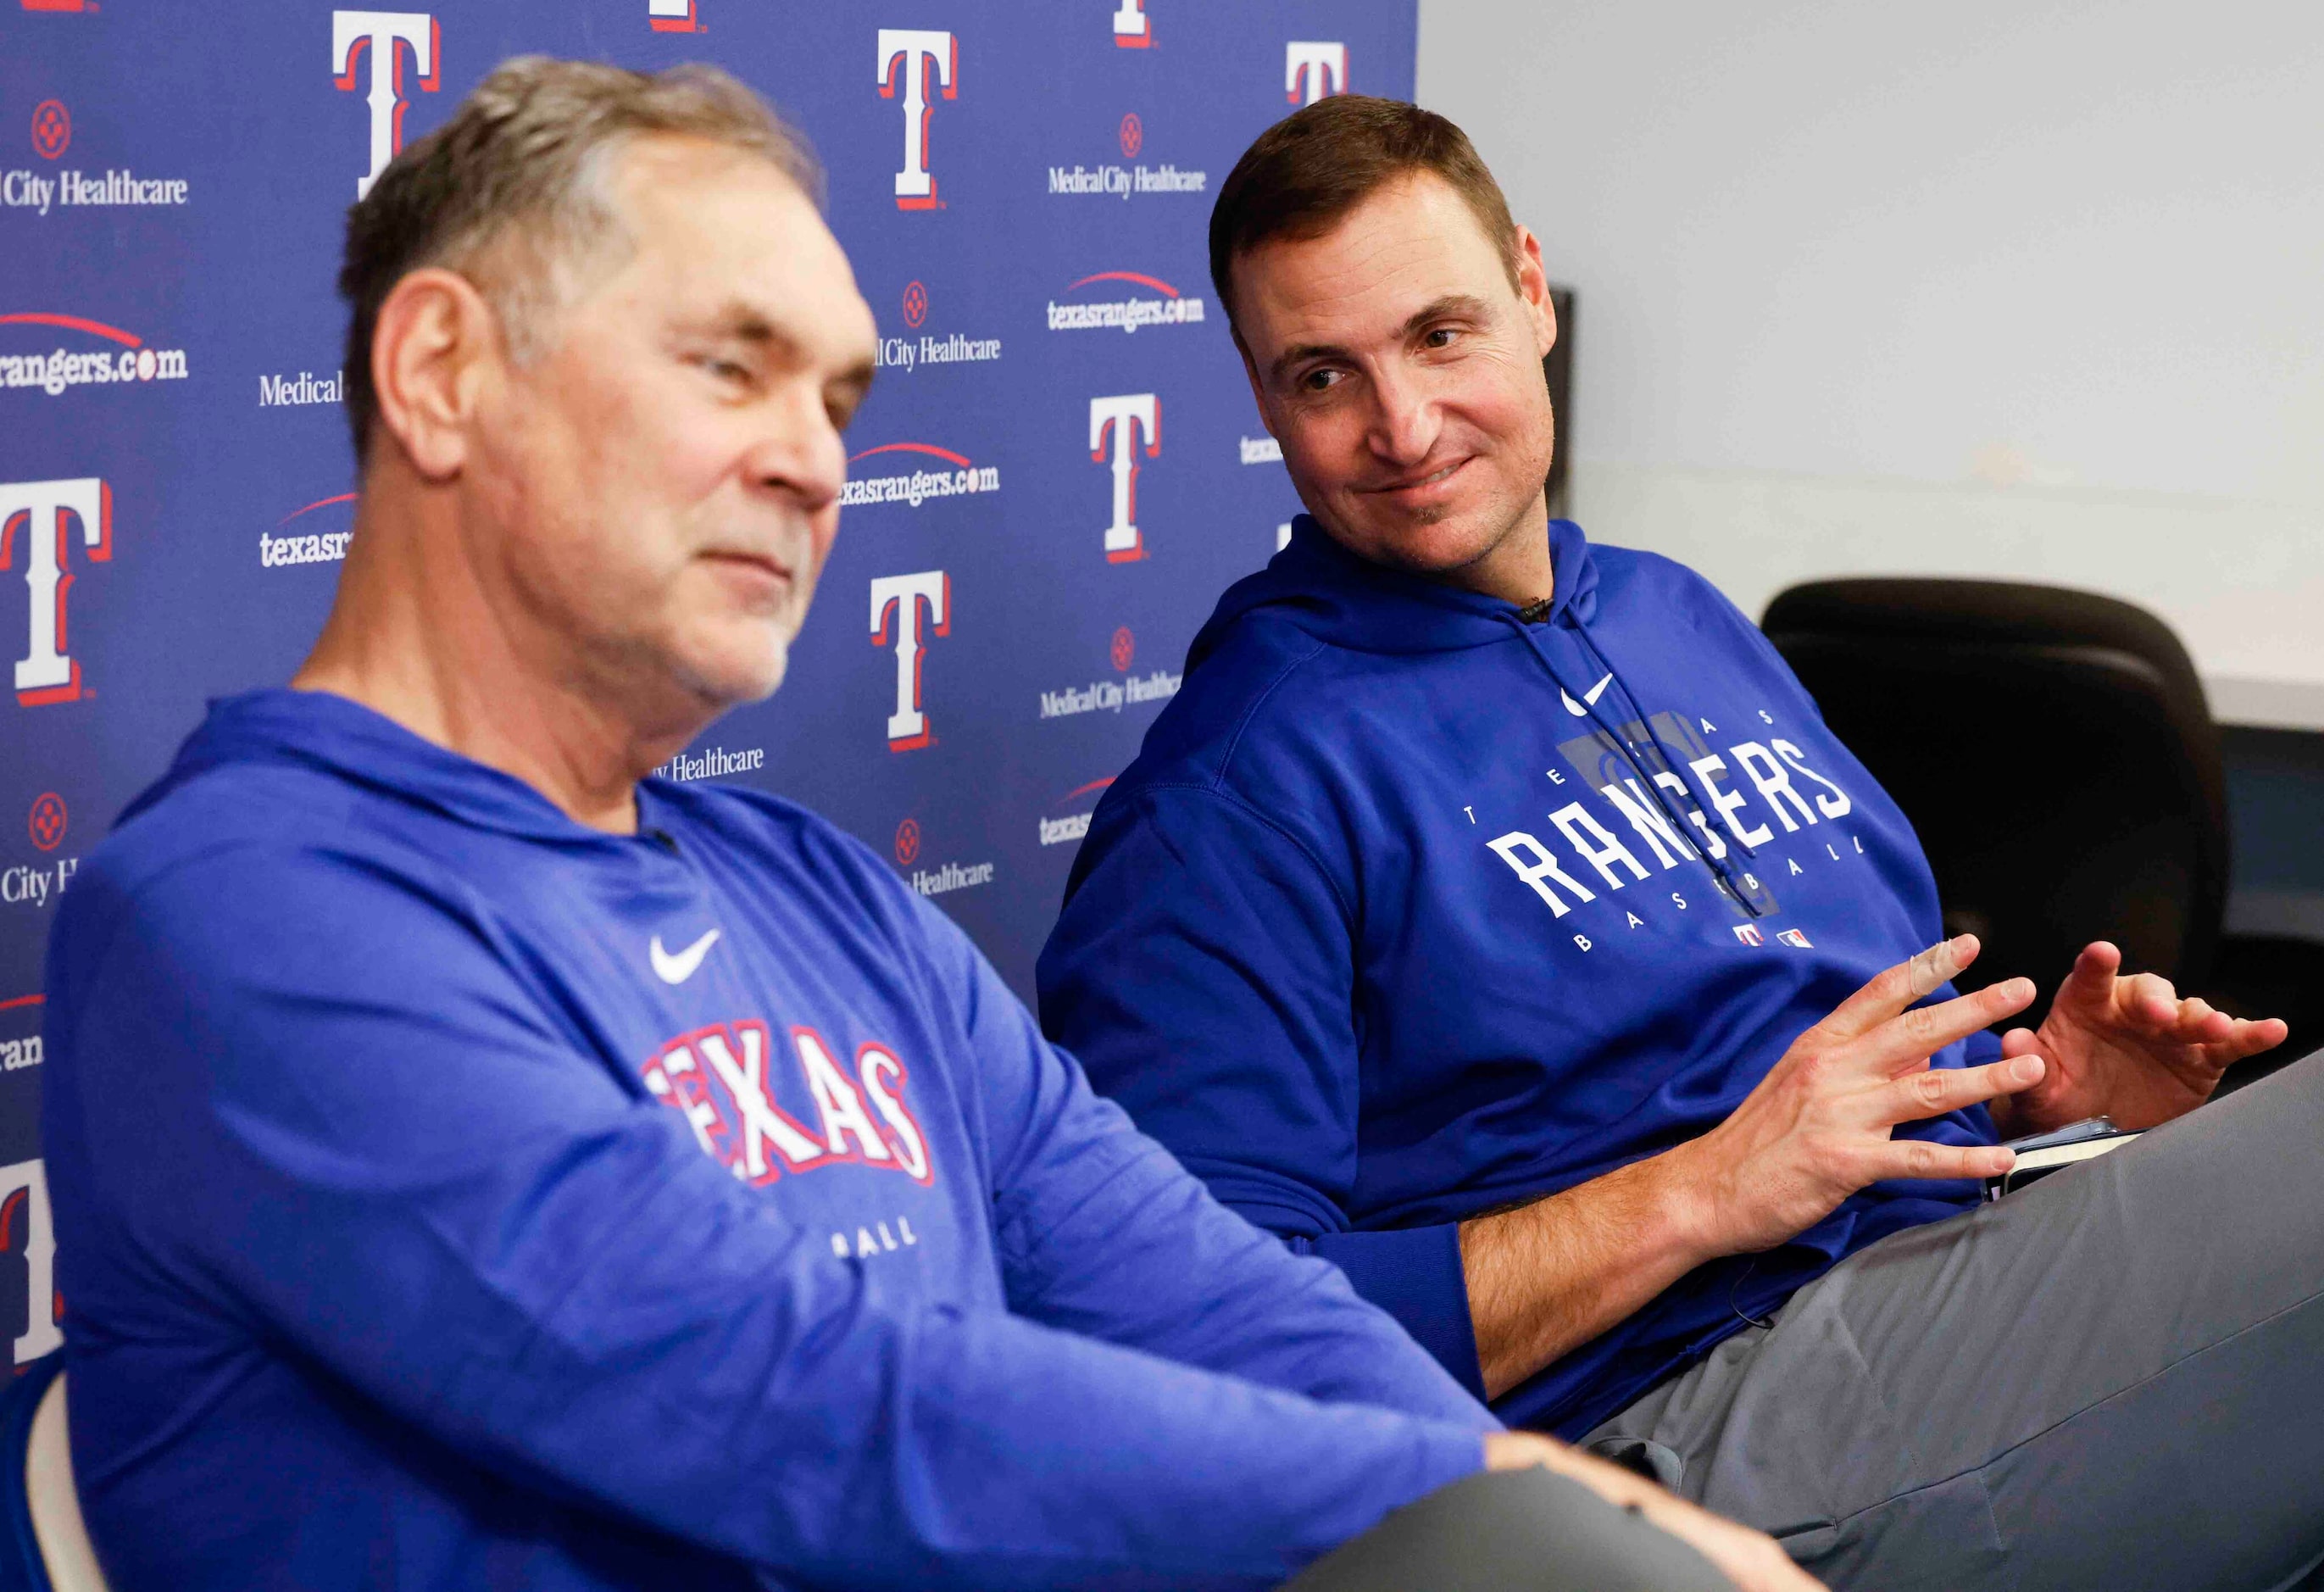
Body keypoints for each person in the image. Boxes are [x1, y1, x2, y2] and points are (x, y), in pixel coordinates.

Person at [36, 61, 1809, 1592]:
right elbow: (796, 1399)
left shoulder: (818, 894)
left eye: (838, 401)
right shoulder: (245, 917)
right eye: (732, 370)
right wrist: (1486, 1499)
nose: (816, 460)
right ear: (439, 372)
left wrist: (1575, 1528)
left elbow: (1211, 1303)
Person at [1037, 95, 2320, 1589]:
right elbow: (1190, 1356)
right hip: (1666, 1444)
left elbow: (1833, 1098)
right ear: (1264, 401)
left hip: (1933, 1292)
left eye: (1440, 334)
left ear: (1529, 293)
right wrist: (1700, 1190)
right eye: (1324, 375)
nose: (1399, 426)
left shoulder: (1671, 613)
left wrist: (2038, 1118)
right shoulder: (1235, 793)